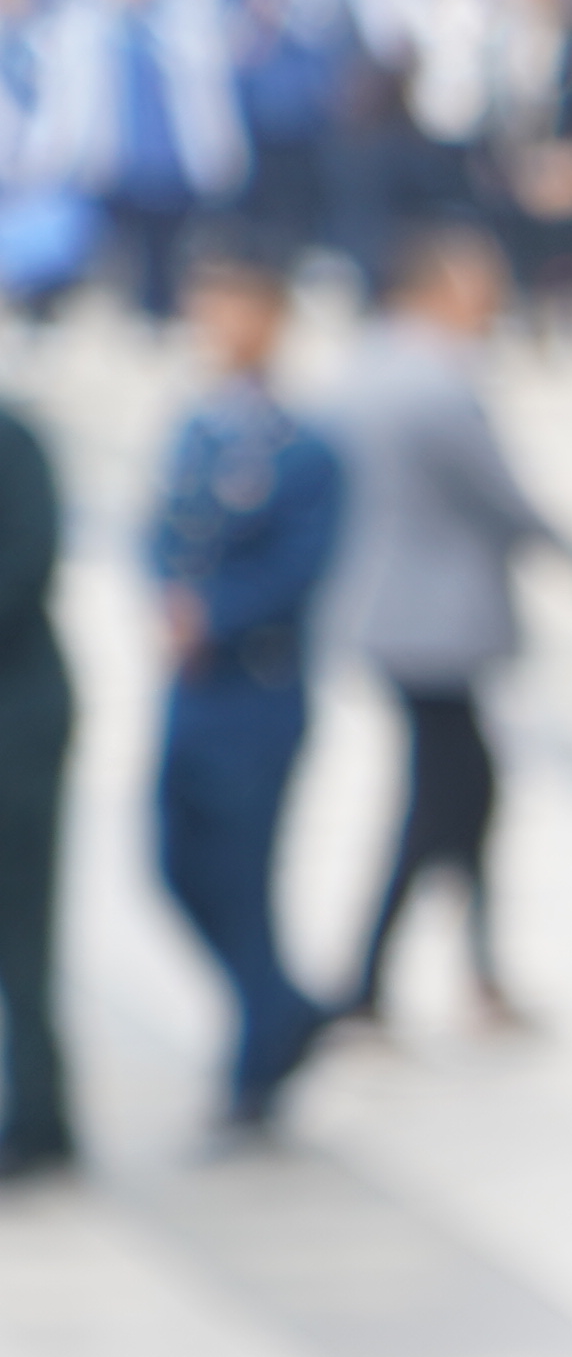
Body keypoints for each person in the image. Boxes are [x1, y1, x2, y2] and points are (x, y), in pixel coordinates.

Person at [327, 215, 572, 1041]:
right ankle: (378, 980)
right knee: (446, 801)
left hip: (383, 615)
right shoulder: (437, 385)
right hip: (440, 623)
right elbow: (510, 504)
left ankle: (460, 974)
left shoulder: (362, 370)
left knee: (462, 797)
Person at [145, 240, 345, 1140]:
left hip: (258, 685)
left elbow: (300, 566)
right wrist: (169, 601)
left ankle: (256, 1063)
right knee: (173, 861)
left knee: (245, 872)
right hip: (193, 687)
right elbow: (159, 532)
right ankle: (285, 1008)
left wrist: (214, 616)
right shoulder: (197, 428)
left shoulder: (303, 446)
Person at [0, 372, 71, 1180]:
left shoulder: (13, 442)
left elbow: (23, 570)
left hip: (15, 727)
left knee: (22, 930)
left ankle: (39, 1115)